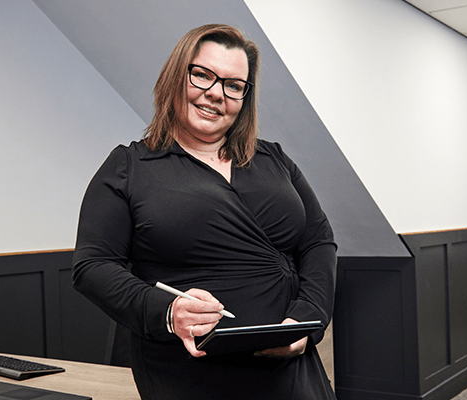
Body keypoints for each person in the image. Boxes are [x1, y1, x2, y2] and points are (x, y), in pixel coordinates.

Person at [72, 24, 337, 399]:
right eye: (202, 75)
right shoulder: (129, 167)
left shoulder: (274, 159)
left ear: (245, 96)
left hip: (291, 371)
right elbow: (92, 266)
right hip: (188, 375)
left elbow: (319, 241)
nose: (215, 93)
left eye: (233, 85)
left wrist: (307, 319)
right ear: (176, 76)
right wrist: (166, 310)